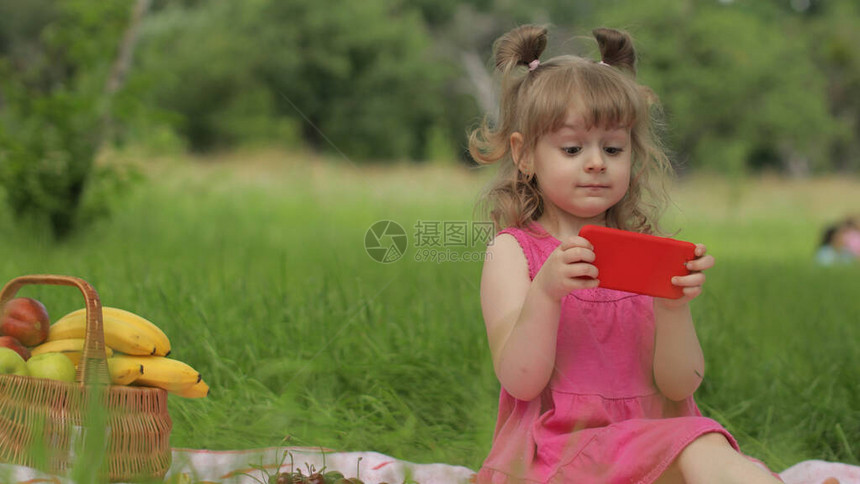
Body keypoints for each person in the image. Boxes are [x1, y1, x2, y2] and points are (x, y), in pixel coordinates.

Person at [468, 25, 792, 483]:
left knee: (708, 447)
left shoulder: (644, 254)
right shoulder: (514, 252)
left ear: (632, 155)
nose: (597, 161)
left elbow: (679, 385)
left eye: (613, 147)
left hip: (650, 447)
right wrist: (546, 294)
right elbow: (520, 379)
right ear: (524, 155)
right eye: (573, 148)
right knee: (703, 445)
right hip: (559, 455)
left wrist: (673, 306)